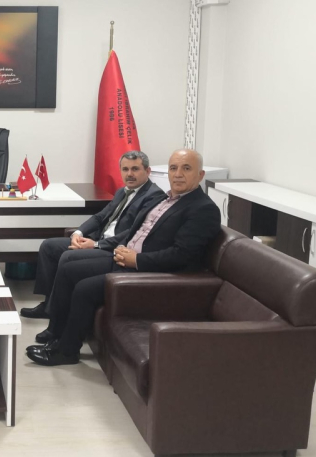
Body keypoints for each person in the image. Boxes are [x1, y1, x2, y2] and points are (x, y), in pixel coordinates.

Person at [27, 149, 221, 366]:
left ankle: (67, 351)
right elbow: (137, 229)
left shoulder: (203, 208)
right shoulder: (168, 200)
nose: (178, 174)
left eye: (186, 168)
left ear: (200, 175)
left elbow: (182, 255)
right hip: (124, 256)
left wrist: (136, 259)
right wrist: (122, 248)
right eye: (173, 168)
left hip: (148, 270)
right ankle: (56, 336)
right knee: (68, 268)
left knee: (84, 288)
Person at [20, 151, 165, 319]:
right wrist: (78, 233)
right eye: (125, 169)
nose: (129, 174)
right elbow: (100, 217)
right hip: (99, 240)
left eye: (135, 169)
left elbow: (134, 232)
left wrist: (96, 245)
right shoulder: (122, 192)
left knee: (68, 256)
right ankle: (48, 305)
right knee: (49, 246)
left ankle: (57, 312)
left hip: (116, 249)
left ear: (147, 171)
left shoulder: (154, 196)